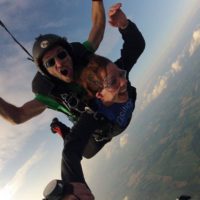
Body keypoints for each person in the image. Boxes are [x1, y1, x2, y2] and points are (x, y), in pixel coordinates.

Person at [50, 3, 145, 158]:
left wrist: (124, 24)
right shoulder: (91, 114)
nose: (124, 81)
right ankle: (59, 127)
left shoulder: (114, 74)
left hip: (112, 125)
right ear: (99, 95)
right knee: (86, 152)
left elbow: (136, 46)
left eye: (122, 74)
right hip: (100, 134)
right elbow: (71, 153)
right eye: (113, 82)